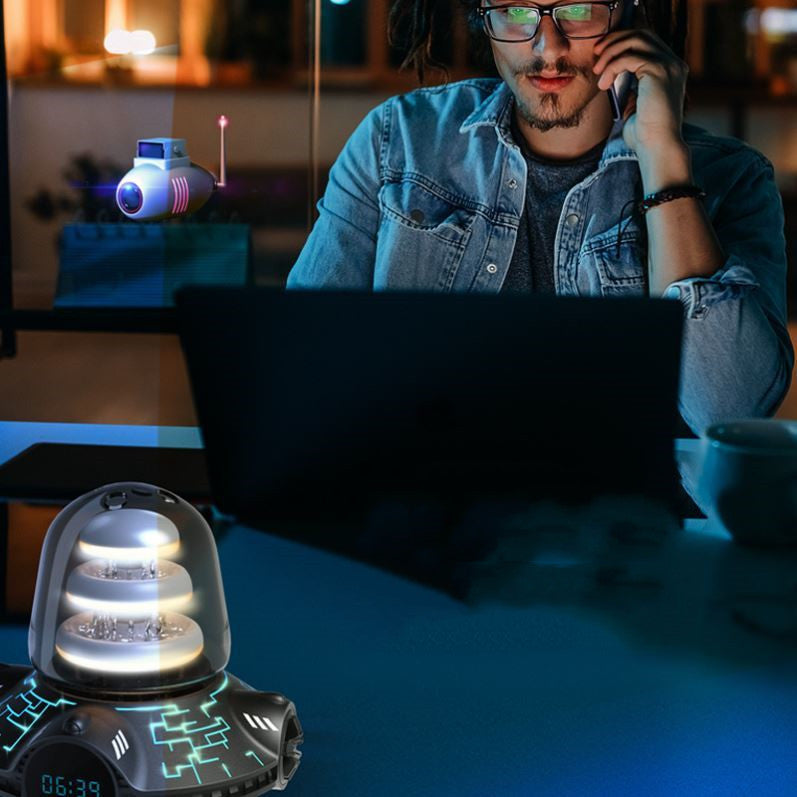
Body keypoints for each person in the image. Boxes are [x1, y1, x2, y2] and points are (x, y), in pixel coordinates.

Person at [287, 0, 793, 436]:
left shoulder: (733, 178)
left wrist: (663, 158)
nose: (547, 47)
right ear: (482, 18)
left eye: (577, 10)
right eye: (513, 12)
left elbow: (728, 410)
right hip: (422, 523)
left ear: (628, 14)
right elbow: (303, 371)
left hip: (634, 536)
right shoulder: (398, 141)